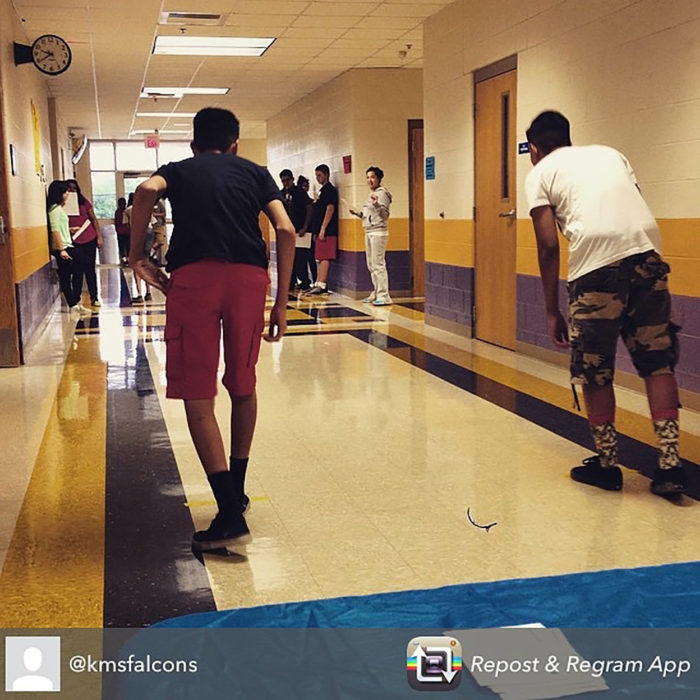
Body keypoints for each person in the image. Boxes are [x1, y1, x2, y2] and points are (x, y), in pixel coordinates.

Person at [129, 107, 295, 549]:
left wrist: (135, 254)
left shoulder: (177, 171)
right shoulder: (256, 173)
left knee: (198, 392)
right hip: (247, 280)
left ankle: (226, 509)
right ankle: (235, 492)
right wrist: (280, 302)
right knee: (243, 383)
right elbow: (285, 227)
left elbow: (146, 190)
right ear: (235, 143)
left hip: (195, 281)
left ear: (194, 143)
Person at [525, 110, 686, 496]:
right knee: (657, 362)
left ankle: (608, 464)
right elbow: (633, 211)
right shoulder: (611, 154)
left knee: (596, 369)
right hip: (647, 255)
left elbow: (548, 244)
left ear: (534, 148)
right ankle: (670, 464)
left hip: (595, 265)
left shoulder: (540, 173)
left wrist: (551, 309)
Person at [350, 166, 393, 305]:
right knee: (371, 264)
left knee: (378, 264)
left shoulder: (382, 194)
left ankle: (384, 295)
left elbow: (385, 215)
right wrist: (358, 213)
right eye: (368, 177)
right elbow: (368, 215)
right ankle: (376, 291)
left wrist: (377, 205)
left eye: (372, 177)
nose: (370, 180)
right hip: (368, 230)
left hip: (378, 232)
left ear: (379, 179)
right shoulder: (371, 194)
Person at [47, 180, 89, 314]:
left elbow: (60, 227)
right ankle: (73, 303)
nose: (67, 194)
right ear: (59, 193)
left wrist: (69, 229)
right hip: (63, 247)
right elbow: (54, 231)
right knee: (82, 264)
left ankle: (75, 303)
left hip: (67, 244)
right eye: (65, 192)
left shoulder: (59, 209)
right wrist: (61, 250)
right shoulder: (53, 210)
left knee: (74, 271)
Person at [66, 178, 103, 307]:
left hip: (89, 239)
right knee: (77, 271)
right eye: (69, 188)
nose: (71, 191)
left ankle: (94, 297)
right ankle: (76, 298)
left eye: (74, 188)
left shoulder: (84, 202)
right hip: (74, 241)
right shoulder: (63, 205)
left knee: (90, 270)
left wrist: (99, 237)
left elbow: (93, 219)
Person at [304, 164, 338, 296]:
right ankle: (318, 282)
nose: (317, 178)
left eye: (320, 175)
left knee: (325, 257)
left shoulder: (330, 190)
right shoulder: (322, 191)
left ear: (327, 175)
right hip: (319, 230)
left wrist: (323, 228)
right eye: (316, 175)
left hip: (328, 231)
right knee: (320, 257)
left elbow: (330, 209)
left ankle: (322, 284)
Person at [279, 169, 313, 291]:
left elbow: (309, 208)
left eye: (287, 180)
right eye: (283, 181)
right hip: (288, 231)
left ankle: (304, 281)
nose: (285, 183)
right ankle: (291, 281)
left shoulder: (300, 192)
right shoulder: (281, 194)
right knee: (288, 258)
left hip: (300, 230)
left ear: (292, 179)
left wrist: (305, 226)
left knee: (301, 258)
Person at [297, 175, 316, 283]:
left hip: (308, 231)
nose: (305, 188)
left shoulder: (308, 199)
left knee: (310, 258)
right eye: (303, 185)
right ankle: (305, 280)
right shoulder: (302, 197)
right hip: (303, 232)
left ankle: (313, 279)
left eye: (306, 185)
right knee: (303, 258)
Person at [152, 198, 168, 267]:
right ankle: (152, 255)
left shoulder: (160, 203)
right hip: (152, 225)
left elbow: (164, 214)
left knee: (161, 241)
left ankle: (151, 253)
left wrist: (156, 214)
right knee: (155, 241)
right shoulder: (149, 203)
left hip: (159, 225)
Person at [114, 197, 130, 265]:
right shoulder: (127, 211)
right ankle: (129, 259)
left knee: (122, 247)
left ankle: (124, 259)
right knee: (128, 246)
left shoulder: (117, 212)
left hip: (120, 232)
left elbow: (117, 222)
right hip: (127, 231)